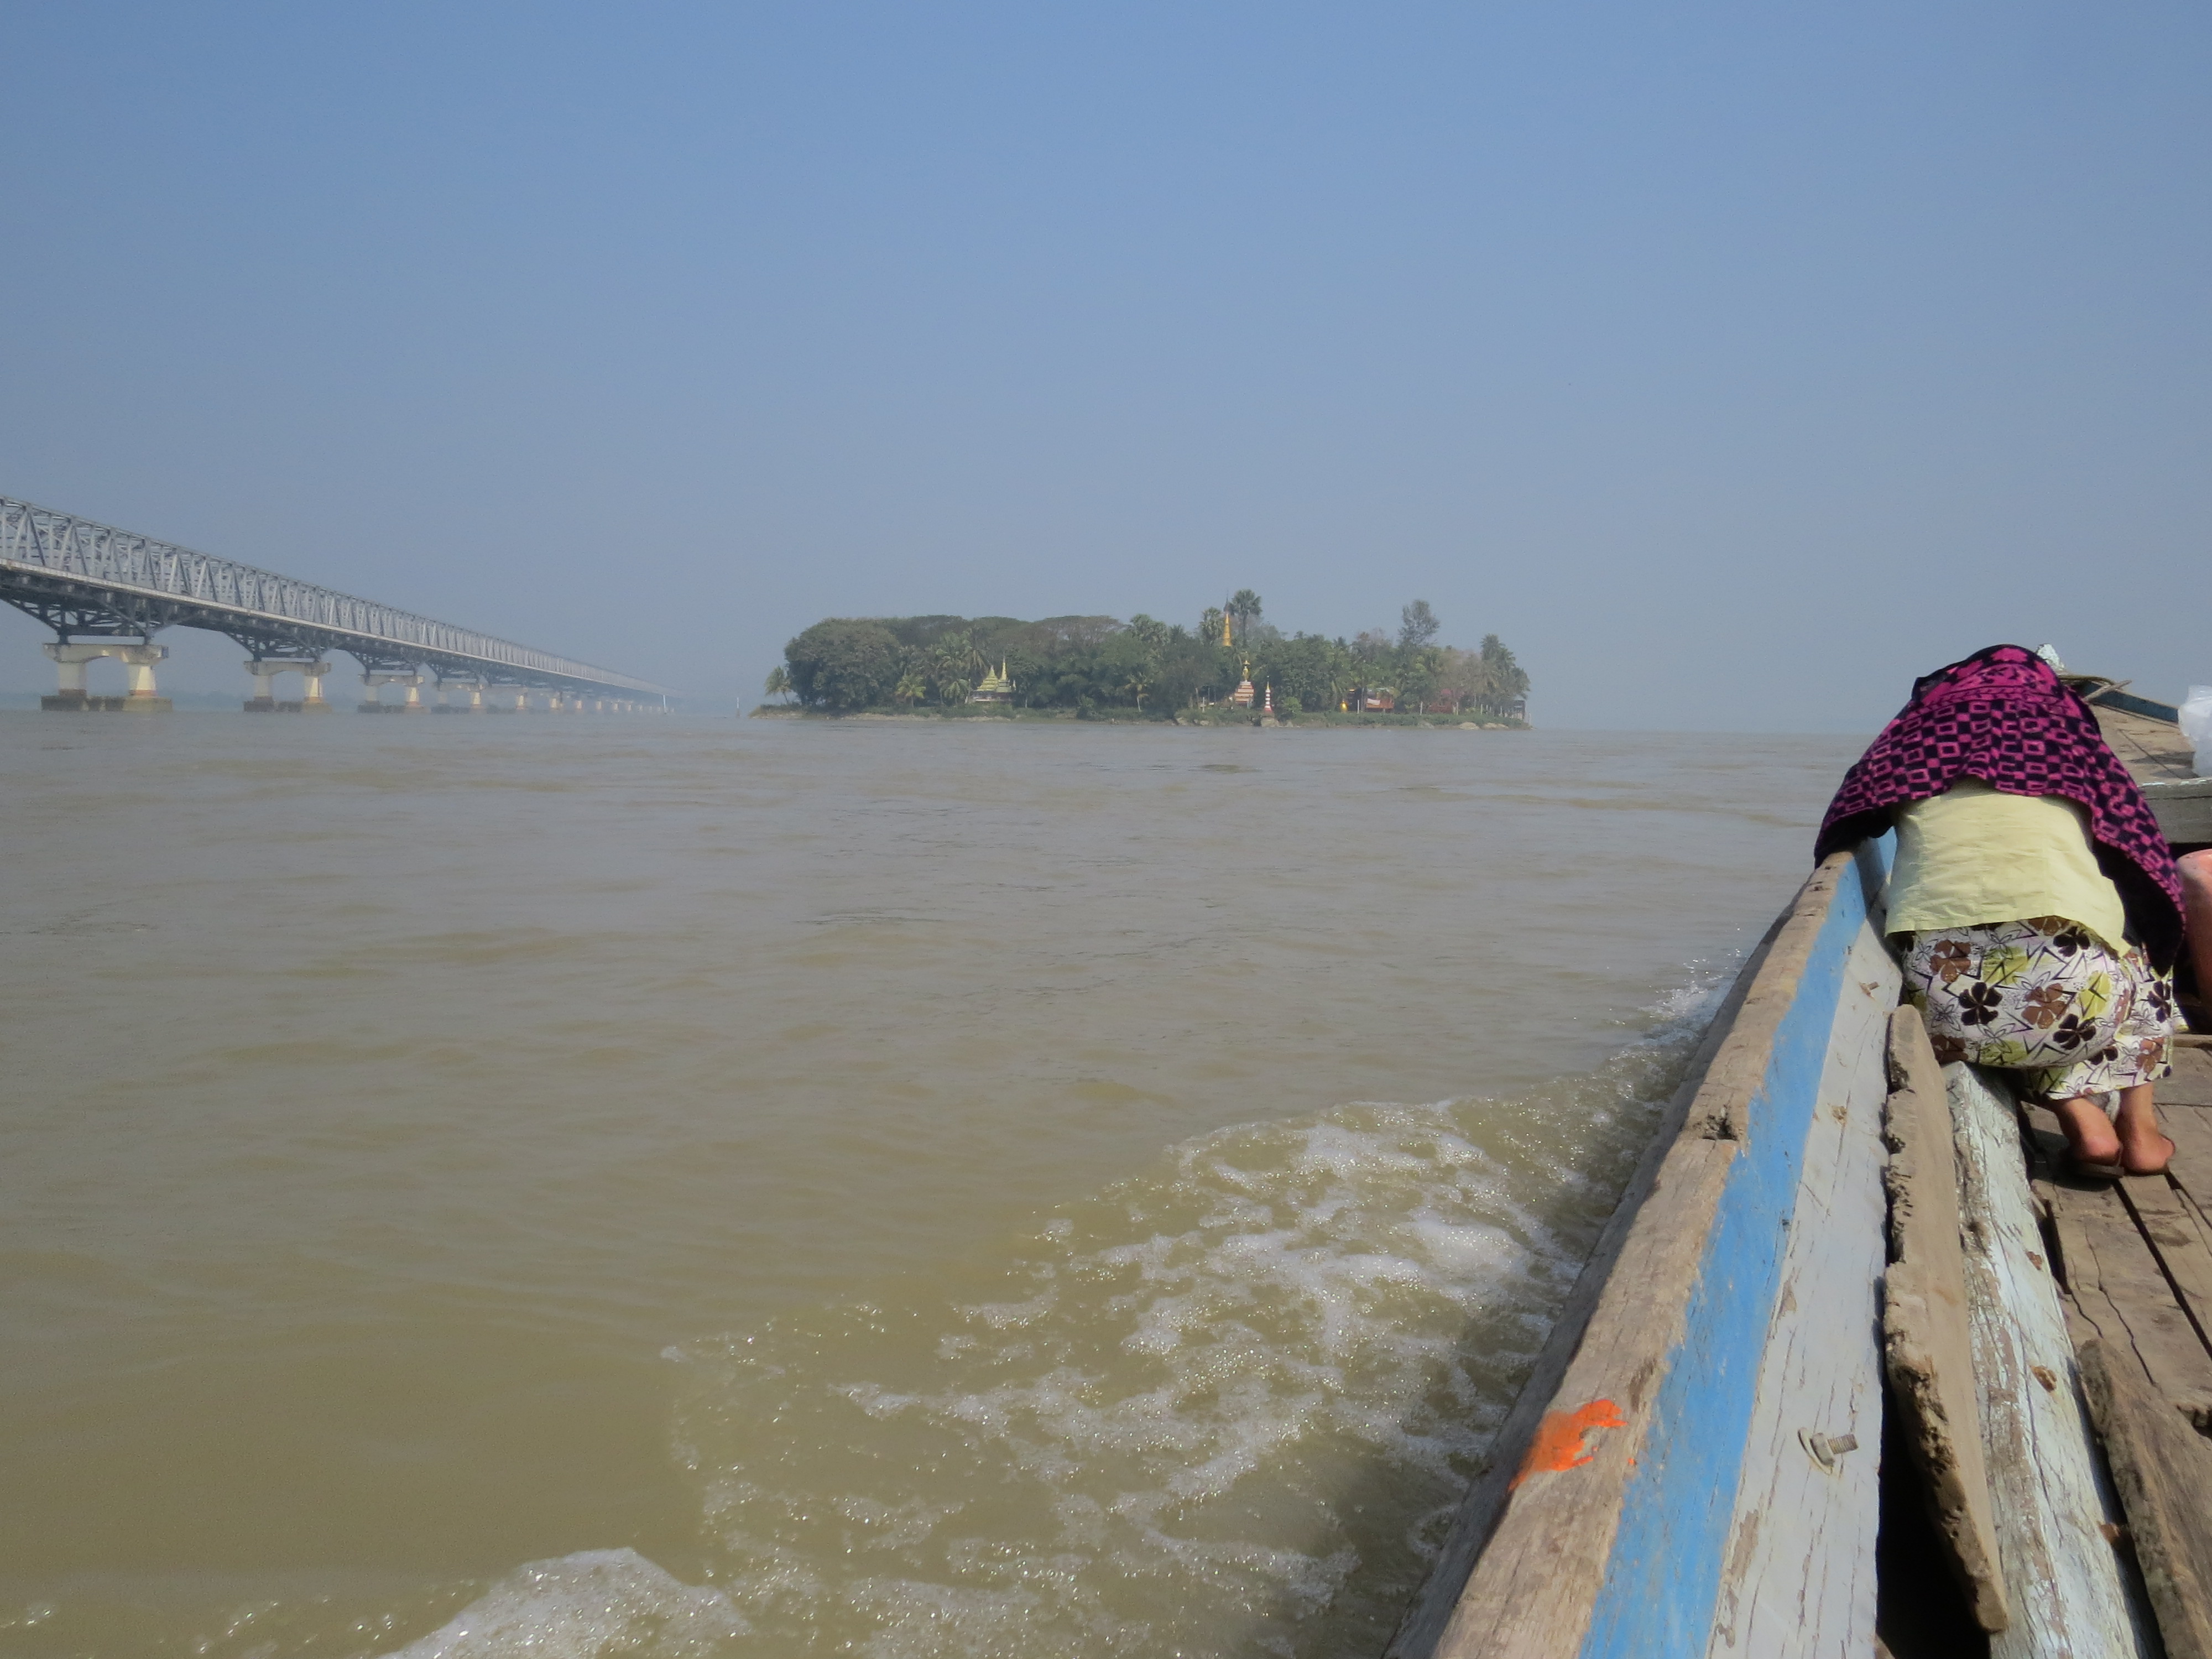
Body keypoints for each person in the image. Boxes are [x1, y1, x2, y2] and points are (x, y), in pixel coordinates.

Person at [1817, 645, 2189, 1177]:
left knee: (2016, 989)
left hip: (1951, 1010)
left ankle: (2082, 1120)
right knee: (2140, 950)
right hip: (2087, 1011)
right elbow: (2149, 868)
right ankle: (2140, 1129)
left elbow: (1842, 821)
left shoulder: (1910, 744)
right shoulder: (2073, 745)